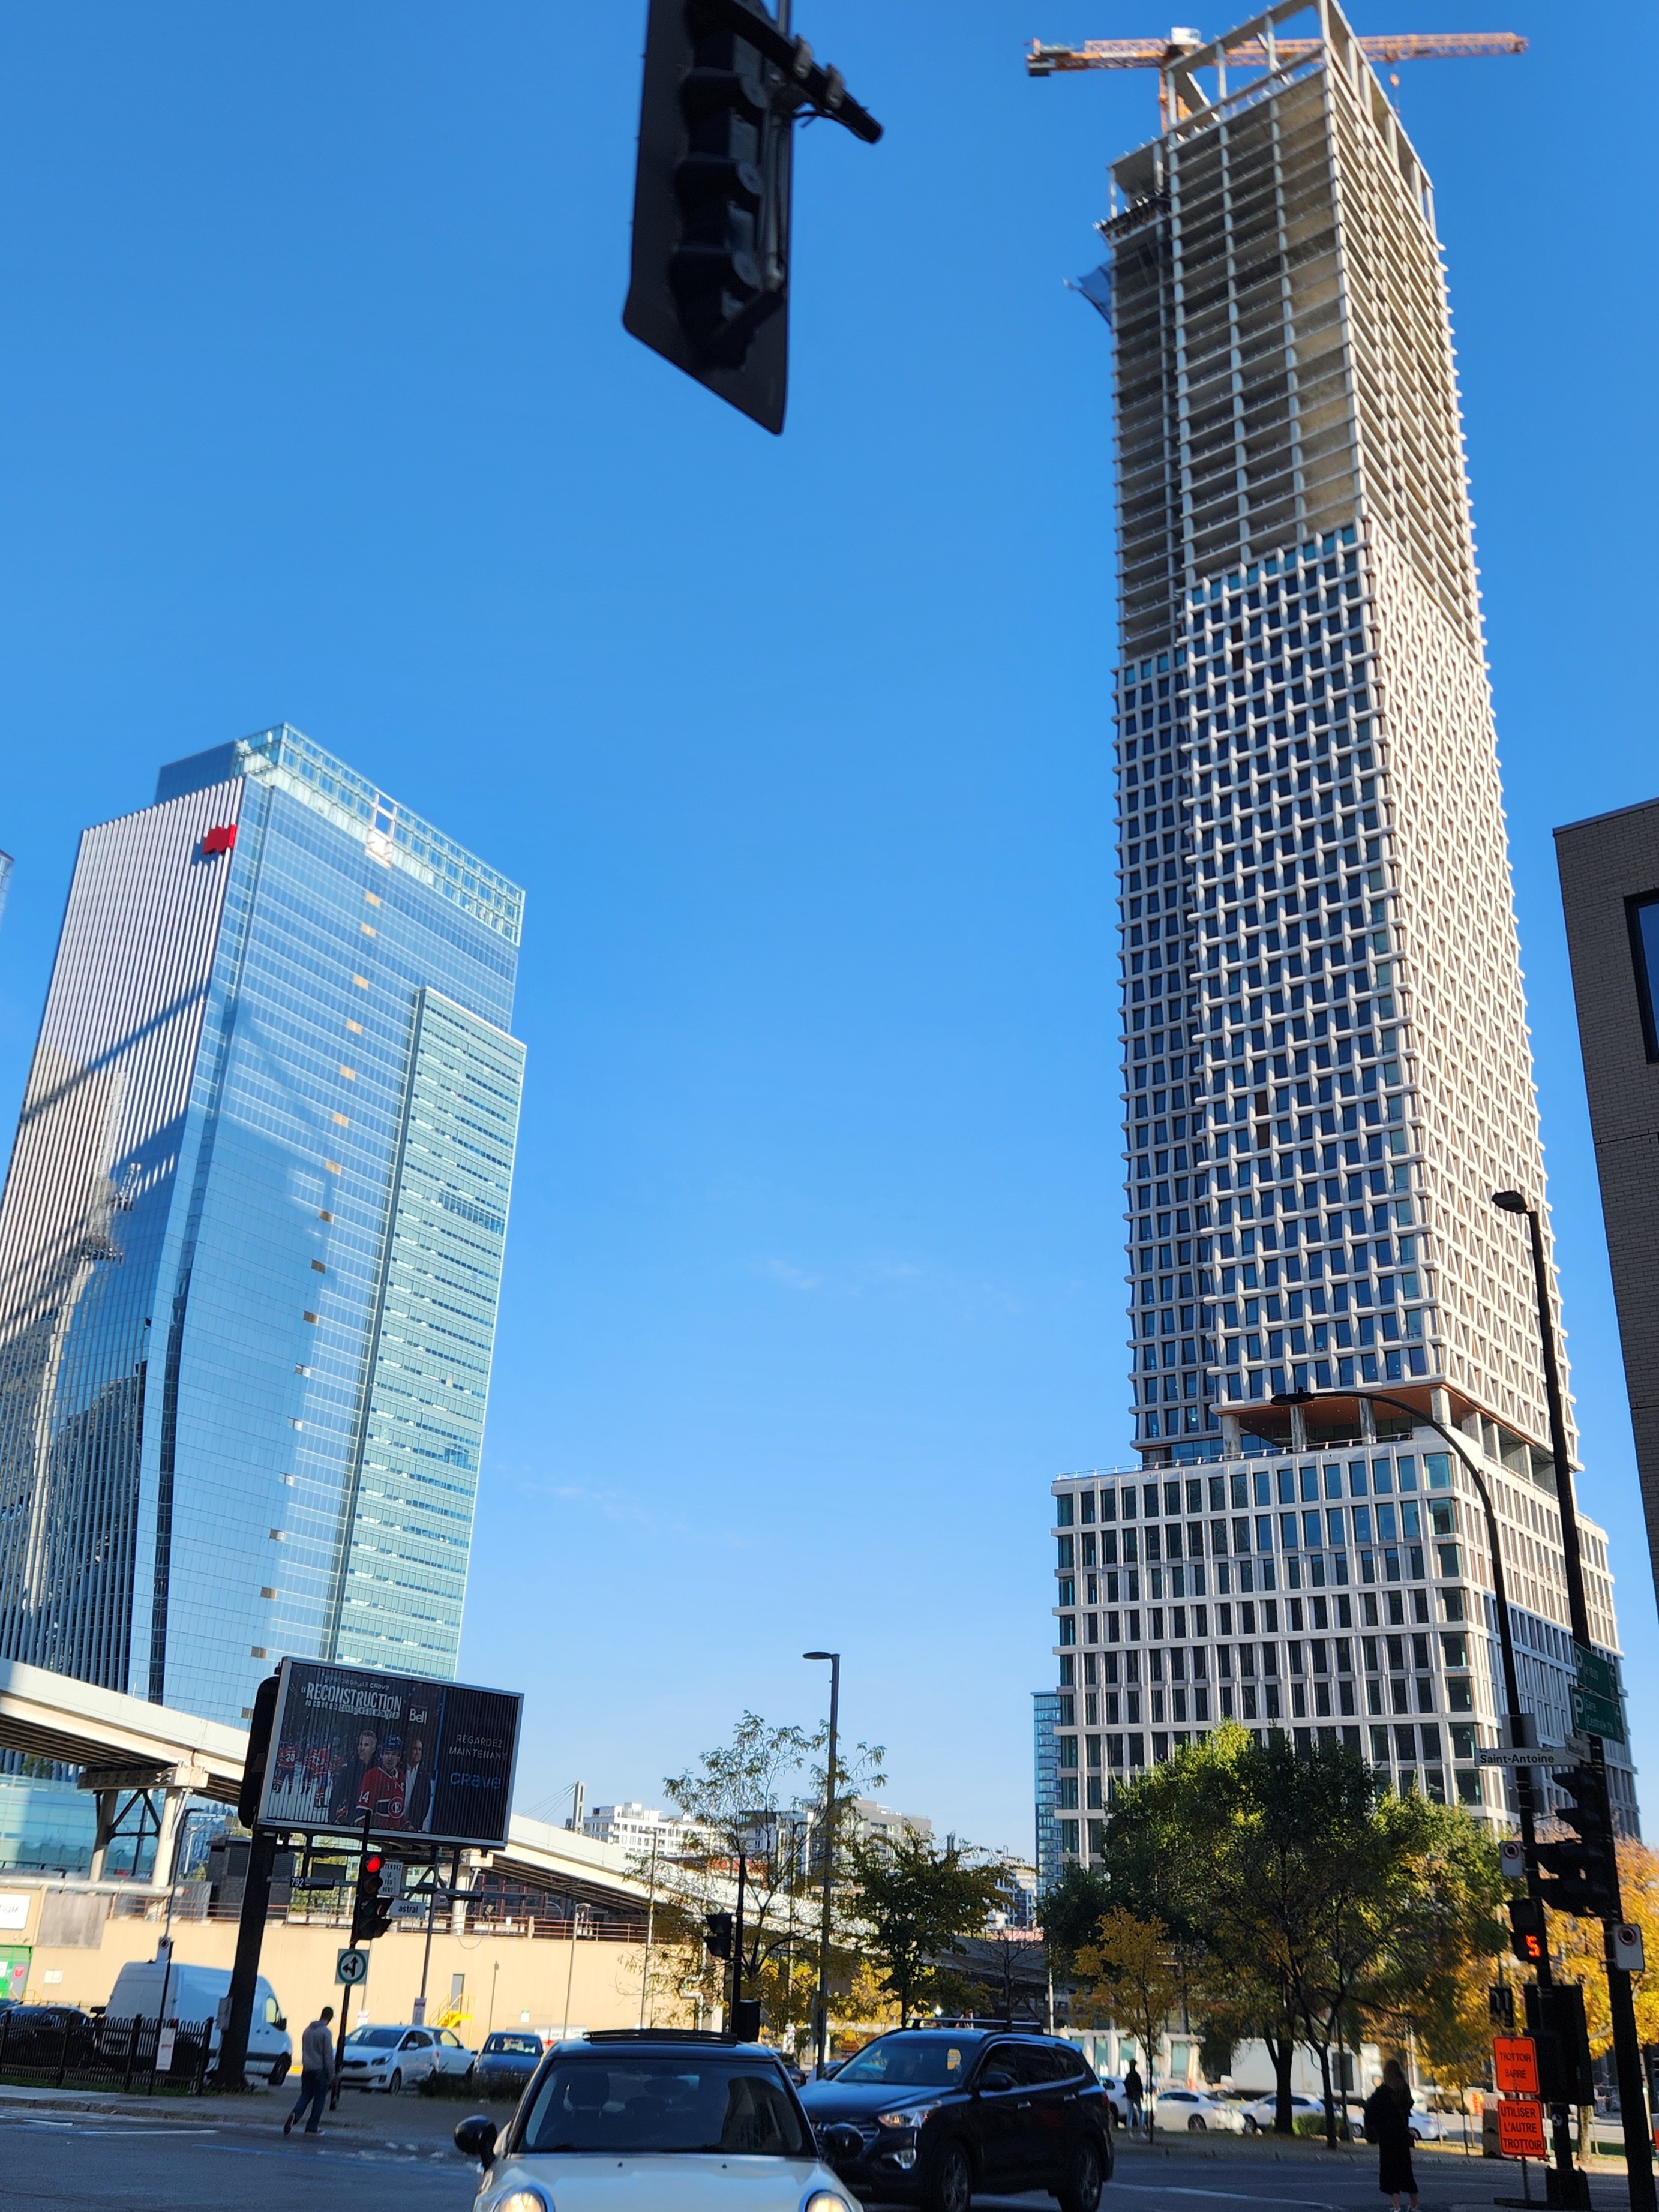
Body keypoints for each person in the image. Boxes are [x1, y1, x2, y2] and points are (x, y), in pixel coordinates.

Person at [1363, 2057, 1419, 2211]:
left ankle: (1397, 2208)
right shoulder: (1404, 2089)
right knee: (1407, 2173)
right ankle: (1414, 2206)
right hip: (1402, 2137)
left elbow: (1370, 2111)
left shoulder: (1382, 2092)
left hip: (1387, 2138)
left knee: (1391, 2175)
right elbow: (1408, 2107)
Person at [283, 2004, 335, 2136]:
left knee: (305, 2095)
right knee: (320, 2098)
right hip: (320, 2070)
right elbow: (327, 2056)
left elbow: (304, 2050)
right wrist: (331, 2074)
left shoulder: (308, 2031)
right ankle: (312, 2127)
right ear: (330, 2017)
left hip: (307, 2069)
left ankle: (295, 2114)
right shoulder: (326, 2033)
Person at [1124, 2058, 1144, 2134]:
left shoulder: (1128, 2076)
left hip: (1130, 2096)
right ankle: (1141, 2128)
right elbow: (1140, 2086)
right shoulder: (1137, 2076)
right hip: (1136, 2096)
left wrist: (1128, 2093)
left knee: (1130, 2113)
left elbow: (1126, 2085)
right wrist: (1141, 2095)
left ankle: (1129, 2130)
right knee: (1141, 2112)